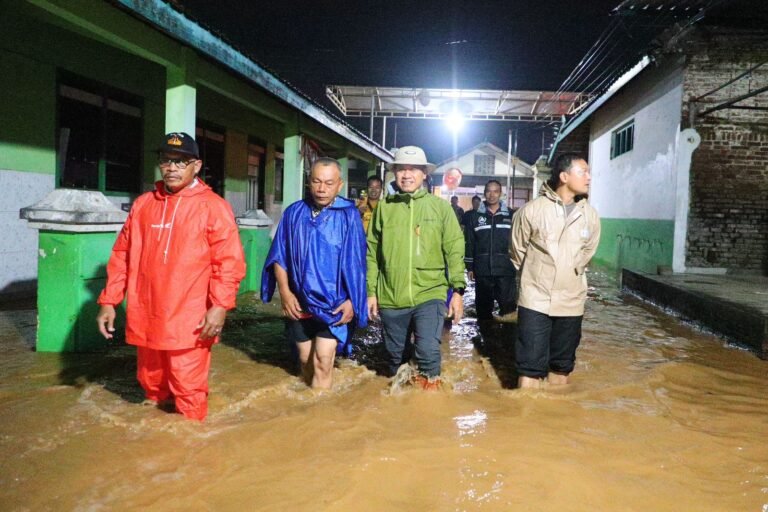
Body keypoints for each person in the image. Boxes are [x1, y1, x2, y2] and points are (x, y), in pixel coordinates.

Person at [96, 132, 246, 420]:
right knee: (151, 387)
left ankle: (191, 451)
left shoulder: (212, 206)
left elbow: (228, 263)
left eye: (181, 162)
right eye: (167, 161)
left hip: (189, 320)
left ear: (196, 166)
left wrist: (220, 306)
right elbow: (122, 255)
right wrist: (109, 300)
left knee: (188, 389)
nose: (172, 168)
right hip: (146, 313)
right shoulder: (143, 205)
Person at [261, 157, 367, 389]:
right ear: (308, 182)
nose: (322, 188)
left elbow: (357, 264)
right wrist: (286, 293)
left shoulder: (349, 216)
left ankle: (322, 417)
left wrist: (352, 300)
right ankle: (307, 412)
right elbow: (279, 256)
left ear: (339, 185)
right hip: (299, 302)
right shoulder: (294, 213)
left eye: (329, 183)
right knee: (304, 361)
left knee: (322, 361)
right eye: (317, 181)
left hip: (334, 304)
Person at [367, 146, 466, 389]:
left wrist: (458, 291)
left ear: (424, 174)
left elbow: (454, 249)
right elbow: (372, 253)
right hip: (391, 295)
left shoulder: (440, 208)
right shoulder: (384, 208)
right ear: (395, 174)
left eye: (413, 169)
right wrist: (371, 292)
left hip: (430, 293)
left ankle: (429, 408)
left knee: (428, 352)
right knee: (394, 357)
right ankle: (401, 413)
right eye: (401, 169)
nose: (407, 174)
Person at [510, 153, 601, 389]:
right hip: (535, 300)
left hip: (571, 301)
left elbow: (588, 252)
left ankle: (555, 422)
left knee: (561, 368)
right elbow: (517, 251)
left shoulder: (590, 216)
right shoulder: (532, 211)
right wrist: (537, 276)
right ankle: (525, 421)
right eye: (583, 172)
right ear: (564, 176)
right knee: (530, 370)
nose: (589, 177)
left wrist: (569, 274)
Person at [465, 181, 517, 322]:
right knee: (483, 310)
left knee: (509, 310)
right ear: (484, 193)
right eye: (489, 191)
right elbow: (469, 242)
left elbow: (518, 242)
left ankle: (506, 341)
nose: (492, 195)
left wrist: (518, 264)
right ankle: (485, 339)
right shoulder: (474, 216)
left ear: (501, 193)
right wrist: (470, 267)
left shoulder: (512, 216)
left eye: (495, 191)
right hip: (483, 271)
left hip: (506, 269)